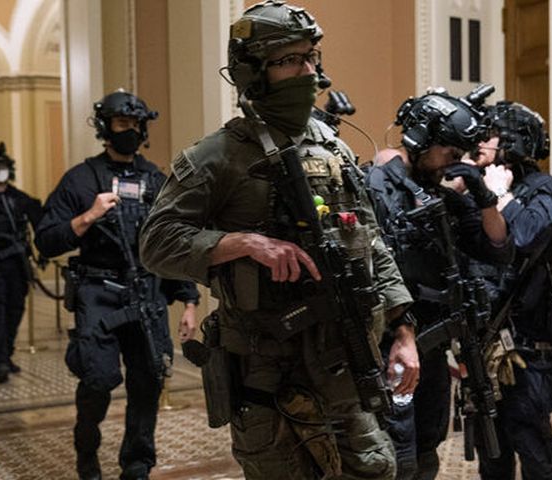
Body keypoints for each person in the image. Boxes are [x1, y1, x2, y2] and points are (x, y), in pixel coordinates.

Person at [139, 2, 416, 478]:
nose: (308, 72)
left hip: (345, 364)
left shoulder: (333, 148)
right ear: (253, 72)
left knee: (375, 468)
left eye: (311, 57)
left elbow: (372, 242)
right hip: (270, 377)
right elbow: (156, 243)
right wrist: (244, 243)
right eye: (290, 60)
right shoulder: (217, 156)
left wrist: (403, 331)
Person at [35, 90, 200, 480]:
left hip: (146, 292)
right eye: (122, 123)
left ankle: (137, 463)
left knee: (148, 381)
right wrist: (87, 216)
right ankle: (86, 450)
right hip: (99, 293)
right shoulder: (80, 179)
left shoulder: (155, 180)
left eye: (135, 125)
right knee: (98, 379)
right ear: (105, 128)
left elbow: (171, 243)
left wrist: (189, 301)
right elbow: (46, 240)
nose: (130, 131)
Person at [364, 88, 514, 479]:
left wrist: (483, 196)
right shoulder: (378, 189)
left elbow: (498, 248)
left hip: (432, 343)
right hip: (389, 343)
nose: (455, 160)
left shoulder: (442, 196)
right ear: (421, 140)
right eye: (450, 151)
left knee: (427, 443)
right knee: (395, 449)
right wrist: (402, 329)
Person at [472, 102, 552, 480]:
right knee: (491, 448)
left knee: (533, 445)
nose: (478, 143)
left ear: (510, 141)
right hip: (485, 343)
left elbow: (530, 235)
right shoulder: (478, 184)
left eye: (487, 135)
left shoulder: (549, 191)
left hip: (529, 348)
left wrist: (500, 196)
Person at [0, 142, 44, 382]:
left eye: (3, 168)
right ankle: (0, 360)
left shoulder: (20, 198)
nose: (0, 172)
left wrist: (44, 252)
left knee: (16, 309)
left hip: (18, 265)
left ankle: (8, 352)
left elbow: (40, 222)